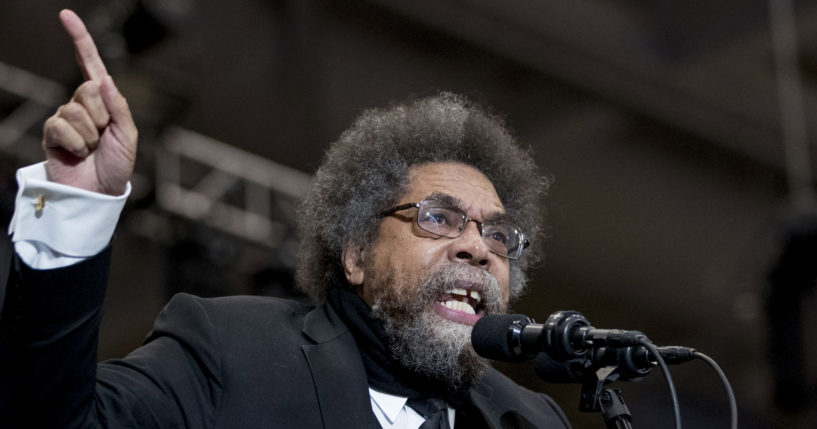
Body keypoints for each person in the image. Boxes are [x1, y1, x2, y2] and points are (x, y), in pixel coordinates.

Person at [0, 9, 570, 429]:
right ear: (355, 254)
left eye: (497, 233)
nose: (478, 247)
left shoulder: (528, 419)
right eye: (440, 218)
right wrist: (76, 206)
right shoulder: (233, 351)